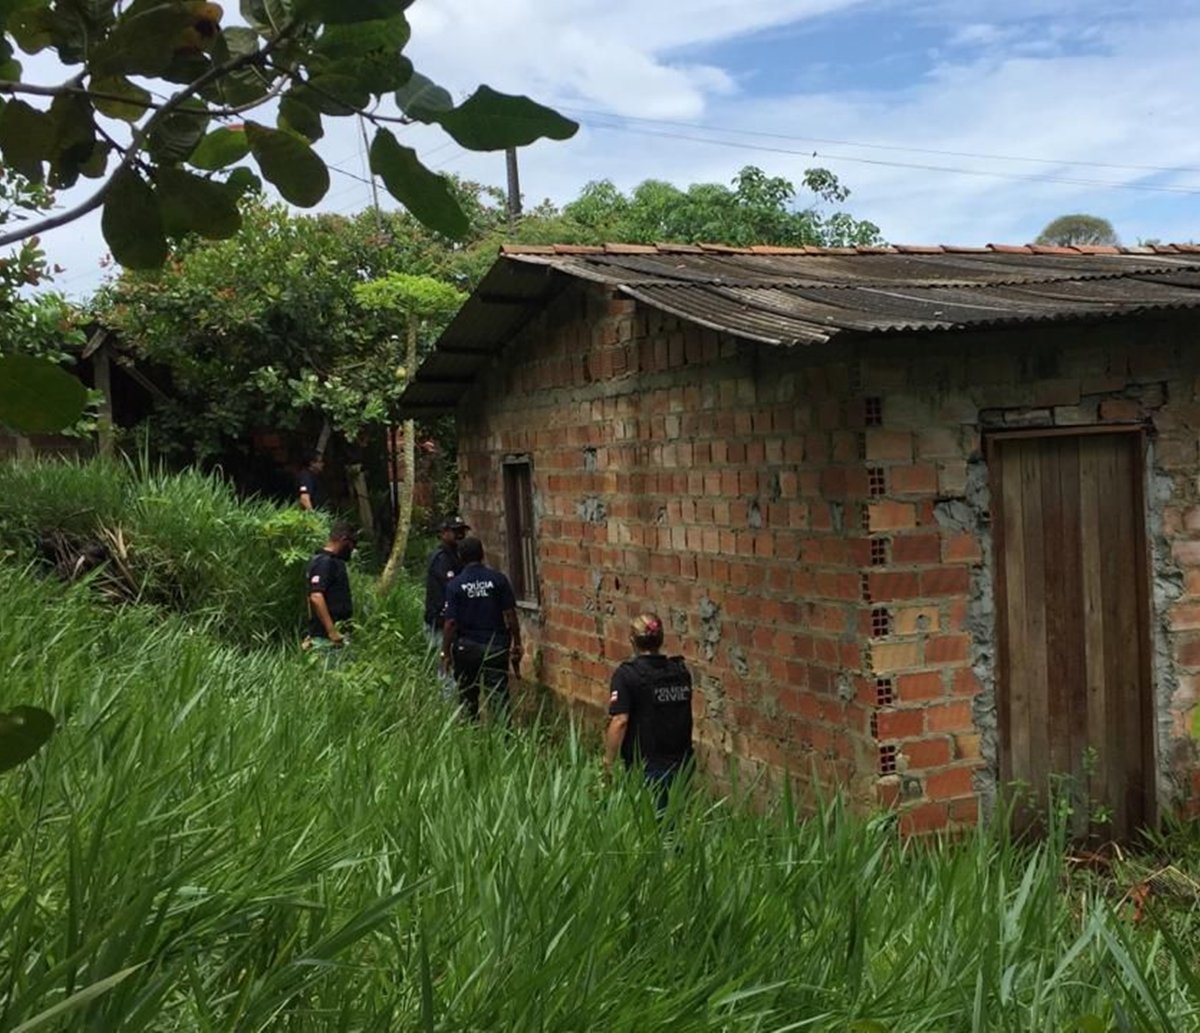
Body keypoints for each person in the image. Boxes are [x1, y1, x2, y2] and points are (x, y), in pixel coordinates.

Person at [604, 612, 694, 809]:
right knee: (675, 824)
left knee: (649, 830)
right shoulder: (680, 672)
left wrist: (608, 763)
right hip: (683, 764)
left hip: (648, 766)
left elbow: (620, 721)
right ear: (661, 639)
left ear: (632, 640)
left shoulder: (627, 675)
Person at [441, 536, 523, 721]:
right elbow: (510, 615)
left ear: (461, 557)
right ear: (482, 555)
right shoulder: (498, 580)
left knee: (468, 697)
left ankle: (472, 740)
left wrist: (445, 652)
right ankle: (504, 742)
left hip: (466, 649)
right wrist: (516, 644)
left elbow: (450, 623)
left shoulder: (455, 586)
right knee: (499, 698)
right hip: (495, 647)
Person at [303, 522, 356, 651]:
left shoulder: (335, 562)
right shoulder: (324, 562)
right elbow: (315, 596)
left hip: (338, 635)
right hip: (327, 637)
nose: (352, 550)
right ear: (343, 540)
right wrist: (331, 631)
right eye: (351, 545)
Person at [424, 516, 470, 641]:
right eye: (456, 531)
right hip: (440, 622)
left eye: (462, 531)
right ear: (444, 533)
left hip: (455, 621)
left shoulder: (458, 555)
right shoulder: (442, 558)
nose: (460, 535)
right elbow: (452, 586)